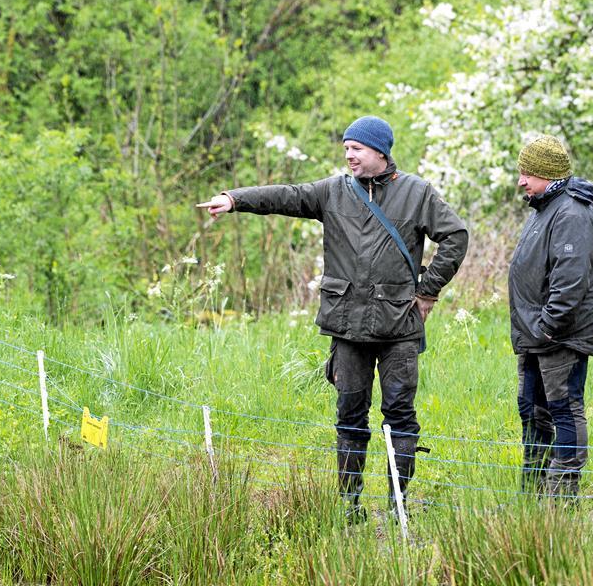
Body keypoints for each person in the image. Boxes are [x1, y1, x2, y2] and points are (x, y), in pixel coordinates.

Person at [198, 116, 468, 520]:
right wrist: (235, 199)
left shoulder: (417, 193)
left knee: (399, 415)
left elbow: (455, 236)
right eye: (345, 148)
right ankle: (349, 505)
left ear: (380, 151)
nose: (348, 155)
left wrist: (428, 289)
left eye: (356, 148)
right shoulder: (332, 191)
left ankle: (398, 504)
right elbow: (286, 196)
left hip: (399, 327)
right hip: (347, 327)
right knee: (349, 416)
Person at [508, 135, 593, 499]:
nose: (521, 180)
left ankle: (561, 497)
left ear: (548, 174)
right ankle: (534, 495)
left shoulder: (571, 212)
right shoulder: (545, 207)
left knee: (564, 411)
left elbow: (570, 282)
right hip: (536, 337)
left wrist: (546, 328)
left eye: (528, 173)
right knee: (533, 412)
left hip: (559, 337)